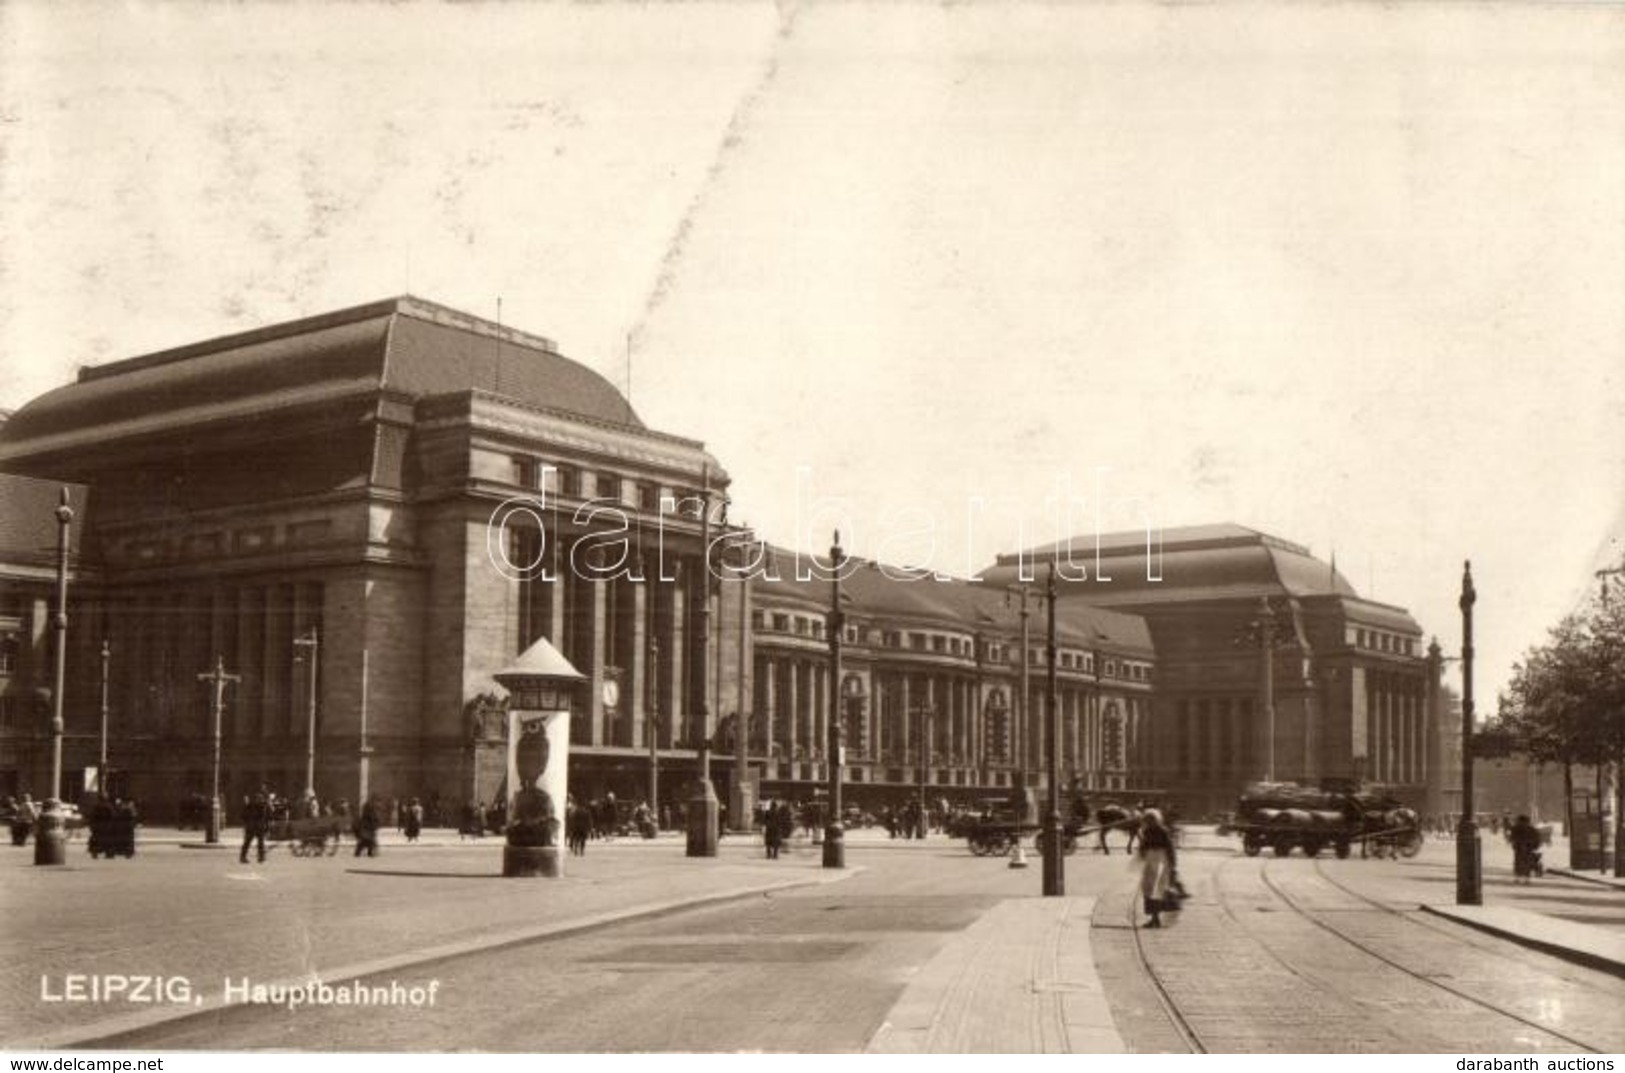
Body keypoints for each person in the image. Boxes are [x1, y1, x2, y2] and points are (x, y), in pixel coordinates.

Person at [1138, 808, 1177, 928]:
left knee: (1155, 889)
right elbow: (1143, 846)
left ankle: (1156, 918)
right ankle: (1154, 918)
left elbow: (1169, 848)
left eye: (1150, 820)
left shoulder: (1160, 831)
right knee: (1149, 888)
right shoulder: (1148, 831)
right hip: (1154, 860)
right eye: (1147, 820)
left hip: (1160, 860)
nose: (1149, 822)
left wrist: (1173, 864)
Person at [1508, 814, 1542, 883]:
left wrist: (1514, 844)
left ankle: (1517, 877)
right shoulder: (1531, 829)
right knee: (1527, 862)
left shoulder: (1516, 828)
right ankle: (1527, 877)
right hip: (1529, 847)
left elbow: (1512, 837)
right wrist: (1535, 846)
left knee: (1518, 861)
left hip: (1519, 846)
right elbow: (1537, 838)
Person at [240, 789, 270, 864]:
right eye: (259, 798)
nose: (260, 800)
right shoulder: (262, 806)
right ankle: (260, 857)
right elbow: (265, 817)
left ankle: (244, 857)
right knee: (258, 843)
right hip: (256, 827)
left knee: (250, 842)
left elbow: (243, 816)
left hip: (252, 827)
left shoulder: (250, 806)